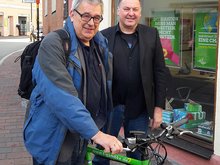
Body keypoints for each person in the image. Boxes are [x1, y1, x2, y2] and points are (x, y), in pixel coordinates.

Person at [23, 0, 123, 164]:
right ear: (72, 14)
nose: (91, 23)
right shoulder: (54, 44)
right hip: (54, 138)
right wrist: (96, 134)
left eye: (96, 17)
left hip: (81, 134)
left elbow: (105, 85)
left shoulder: (100, 45)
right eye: (86, 16)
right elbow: (61, 96)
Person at [93, 0, 169, 164]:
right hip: (110, 107)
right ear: (118, 11)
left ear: (140, 12)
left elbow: (160, 72)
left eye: (135, 9)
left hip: (139, 108)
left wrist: (158, 108)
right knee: (102, 154)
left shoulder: (151, 34)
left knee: (137, 155)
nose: (131, 13)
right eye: (126, 9)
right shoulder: (103, 36)